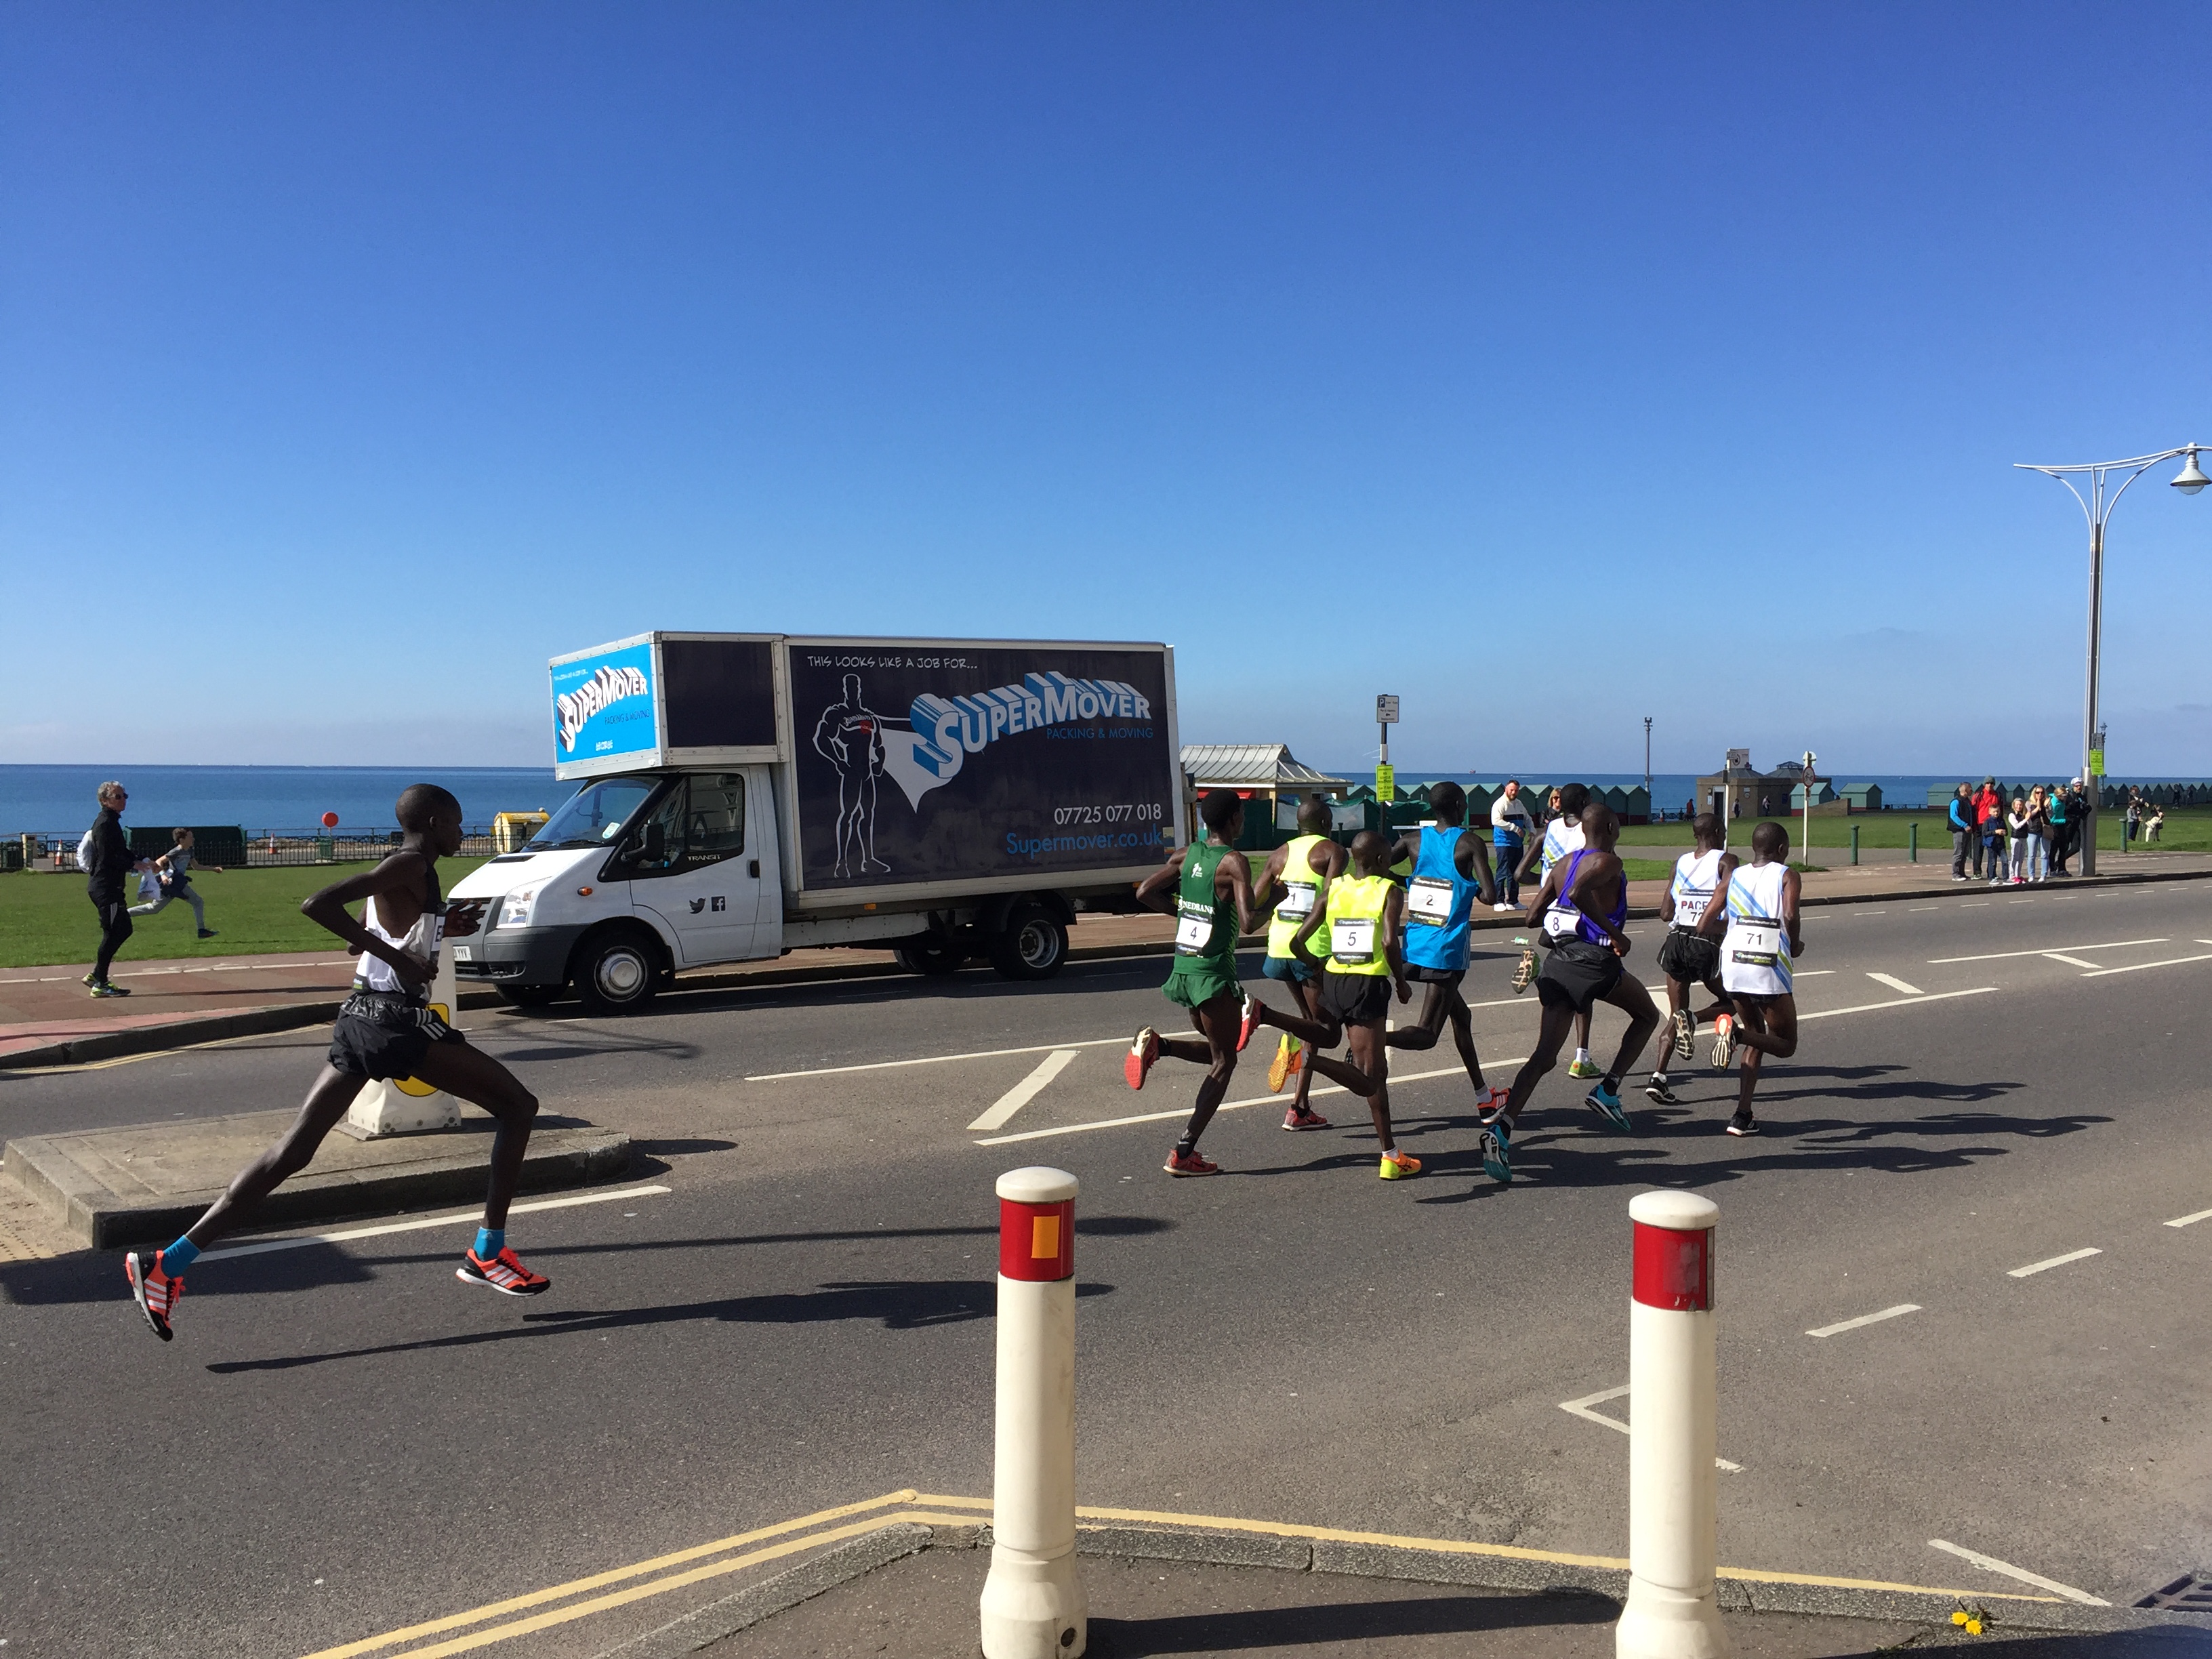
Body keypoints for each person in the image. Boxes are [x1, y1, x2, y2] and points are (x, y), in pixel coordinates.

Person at [123, 786, 548, 1343]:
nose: (463, 831)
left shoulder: (404, 870)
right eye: (458, 822)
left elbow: (388, 933)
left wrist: (442, 930)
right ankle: (487, 1251)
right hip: (395, 1025)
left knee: (292, 1153)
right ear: (433, 820)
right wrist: (399, 957)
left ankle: (168, 1264)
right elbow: (318, 905)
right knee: (518, 1107)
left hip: (360, 1019)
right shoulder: (410, 862)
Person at [1479, 802, 1662, 1183]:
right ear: (1612, 826)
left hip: (1559, 961)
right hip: (1593, 961)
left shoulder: (1563, 863)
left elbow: (1531, 917)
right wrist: (1616, 935)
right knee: (1648, 1016)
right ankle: (1608, 1089)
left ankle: (1502, 1129)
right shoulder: (1610, 862)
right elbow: (1580, 894)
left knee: (1544, 1056)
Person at [1257, 830, 1420, 1178]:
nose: (1392, 863)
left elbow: (1300, 939)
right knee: (1369, 1079)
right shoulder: (1389, 891)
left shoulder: (1336, 889)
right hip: (1367, 984)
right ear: (1378, 861)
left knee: (1342, 1046)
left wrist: (1318, 967)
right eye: (1389, 859)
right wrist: (1402, 982)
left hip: (1334, 978)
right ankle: (1307, 1058)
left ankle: (1390, 1153)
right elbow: (1391, 941)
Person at [1125, 790, 1271, 1176]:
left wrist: (1183, 911)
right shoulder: (1234, 862)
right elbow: (1248, 922)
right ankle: (1184, 1152)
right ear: (1236, 819)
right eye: (1241, 815)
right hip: (1212, 973)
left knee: (1216, 1051)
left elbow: (1144, 891)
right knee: (1225, 1061)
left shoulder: (1188, 854)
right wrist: (1277, 900)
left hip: (1185, 969)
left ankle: (1161, 1046)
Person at [1381, 783, 1509, 1117]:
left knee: (1462, 1018)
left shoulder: (1413, 841)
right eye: (1465, 802)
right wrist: (1468, 889)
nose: (1466, 807)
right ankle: (1373, 1039)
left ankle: (1484, 1098)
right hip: (1446, 950)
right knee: (1427, 1035)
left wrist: (1407, 882)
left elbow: (1379, 867)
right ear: (1457, 805)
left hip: (1413, 945)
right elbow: (1490, 896)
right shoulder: (1469, 843)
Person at [1247, 796, 1348, 1129]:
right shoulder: (1333, 851)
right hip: (1312, 950)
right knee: (1327, 1031)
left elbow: (1252, 900)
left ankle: (1299, 1108)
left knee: (1311, 1024)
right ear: (1324, 823)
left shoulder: (1279, 854)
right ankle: (1273, 1021)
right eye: (1330, 819)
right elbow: (1330, 897)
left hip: (1277, 946)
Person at [1697, 820, 1802, 1137]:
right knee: (1784, 1045)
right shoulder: (1787, 875)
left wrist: (1733, 931)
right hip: (1768, 965)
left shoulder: (1735, 875)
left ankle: (1741, 1116)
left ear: (1755, 848)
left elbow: (1704, 924)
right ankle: (1735, 1036)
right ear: (1782, 849)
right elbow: (1791, 915)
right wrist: (1794, 945)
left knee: (1758, 1034)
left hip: (1734, 964)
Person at [1641, 813, 1738, 1106]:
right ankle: (1694, 1019)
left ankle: (1658, 1077)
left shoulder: (1679, 863)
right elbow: (1732, 899)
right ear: (1720, 832)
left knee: (1674, 1013)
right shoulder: (1726, 861)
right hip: (1706, 942)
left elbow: (1665, 913)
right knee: (1732, 1002)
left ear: (1695, 835)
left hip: (1676, 942)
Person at [1530, 783, 1602, 1080]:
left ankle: (1537, 971)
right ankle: (1581, 1057)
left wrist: (1548, 883)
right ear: (1585, 802)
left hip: (1551, 912)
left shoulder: (1546, 831)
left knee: (1564, 977)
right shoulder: (1591, 833)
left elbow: (1521, 873)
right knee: (1584, 987)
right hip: (1578, 915)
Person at [81, 781, 155, 998]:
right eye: (118, 797)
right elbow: (108, 857)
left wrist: (140, 859)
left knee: (123, 929)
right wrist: (133, 864)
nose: (123, 800)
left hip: (111, 887)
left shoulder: (112, 822)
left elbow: (120, 850)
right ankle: (100, 983)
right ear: (105, 801)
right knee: (115, 931)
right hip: (105, 888)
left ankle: (97, 975)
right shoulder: (105, 823)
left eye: (124, 796)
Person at [127, 827, 220, 939]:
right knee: (154, 909)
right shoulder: (177, 851)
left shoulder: (189, 851)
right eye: (190, 837)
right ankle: (124, 914)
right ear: (182, 840)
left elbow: (196, 866)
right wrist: (163, 875)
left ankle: (202, 930)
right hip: (171, 884)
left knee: (197, 902)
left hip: (179, 884)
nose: (193, 839)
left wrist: (213, 869)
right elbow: (159, 861)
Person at [1490, 779, 1534, 910]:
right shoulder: (1500, 804)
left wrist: (1532, 831)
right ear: (1506, 789)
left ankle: (1513, 901)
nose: (1514, 792)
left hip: (1517, 844)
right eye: (1511, 790)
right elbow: (1496, 821)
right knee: (1502, 871)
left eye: (1516, 790)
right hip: (1504, 843)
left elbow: (1527, 818)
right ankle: (1499, 901)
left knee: (1515, 873)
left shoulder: (1519, 804)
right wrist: (1515, 828)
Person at [1948, 783, 1975, 881]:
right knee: (1958, 852)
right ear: (1965, 790)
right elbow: (1954, 816)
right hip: (1959, 831)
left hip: (1968, 831)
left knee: (1965, 853)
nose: (1972, 790)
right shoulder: (1956, 802)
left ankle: (1962, 873)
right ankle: (1955, 874)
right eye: (1970, 789)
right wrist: (1964, 825)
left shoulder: (1967, 801)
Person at [2046, 781, 2072, 876]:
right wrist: (2064, 820)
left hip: (2061, 827)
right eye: (2064, 796)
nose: (2066, 798)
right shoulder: (2055, 804)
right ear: (2059, 796)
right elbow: (2052, 820)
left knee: (2063, 848)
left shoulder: (2061, 801)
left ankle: (2062, 868)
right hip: (2055, 827)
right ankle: (2052, 869)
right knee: (2054, 849)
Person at [2005, 792, 2031, 885]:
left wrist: (2027, 818)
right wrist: (2026, 819)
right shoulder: (2012, 815)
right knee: (2014, 857)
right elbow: (2017, 826)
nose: (2019, 806)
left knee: (2021, 858)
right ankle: (2012, 876)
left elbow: (2028, 825)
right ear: (2014, 805)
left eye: (2020, 805)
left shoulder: (2023, 815)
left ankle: (2018, 874)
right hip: (2016, 837)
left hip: (2024, 837)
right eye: (2017, 805)